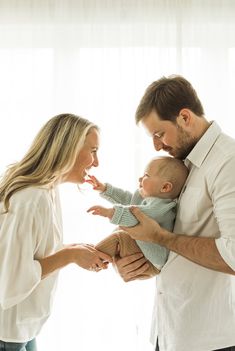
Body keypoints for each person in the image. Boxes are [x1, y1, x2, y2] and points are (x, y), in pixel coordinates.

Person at [113, 75, 235, 351]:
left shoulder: (228, 162)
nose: (156, 146)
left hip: (210, 341)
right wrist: (141, 264)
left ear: (184, 117)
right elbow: (179, 236)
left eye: (159, 134)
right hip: (168, 332)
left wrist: (160, 238)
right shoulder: (182, 163)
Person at [0, 113, 112, 351]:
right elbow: (11, 281)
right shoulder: (31, 198)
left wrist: (74, 250)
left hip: (23, 328)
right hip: (8, 333)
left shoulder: (47, 191)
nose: (96, 162)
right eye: (93, 150)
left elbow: (31, 254)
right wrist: (69, 256)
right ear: (68, 148)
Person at [86, 156, 188, 278]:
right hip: (144, 256)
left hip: (152, 261)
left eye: (146, 175)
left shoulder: (162, 206)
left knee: (120, 236)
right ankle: (97, 257)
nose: (140, 178)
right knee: (120, 232)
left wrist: (109, 213)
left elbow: (134, 215)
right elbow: (127, 200)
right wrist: (105, 189)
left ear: (165, 187)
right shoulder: (146, 198)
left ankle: (91, 258)